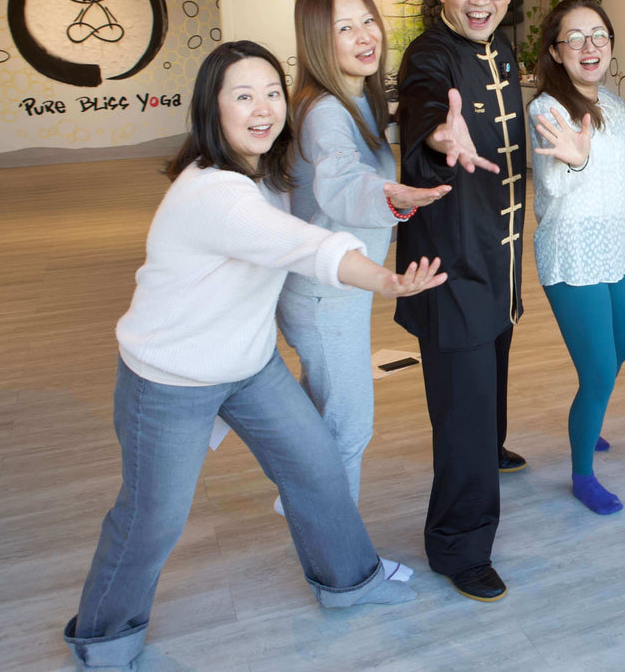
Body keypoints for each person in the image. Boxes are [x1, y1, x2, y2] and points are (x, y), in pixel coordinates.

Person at [63, 41, 445, 670]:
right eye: (243, 96)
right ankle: (102, 639)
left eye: (272, 92)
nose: (263, 108)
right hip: (170, 381)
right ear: (211, 108)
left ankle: (350, 581)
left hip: (248, 366)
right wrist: (384, 279)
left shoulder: (264, 172)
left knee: (317, 467)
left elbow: (331, 193)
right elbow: (303, 244)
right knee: (151, 518)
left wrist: (393, 190)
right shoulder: (215, 192)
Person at [275, 0, 450, 509]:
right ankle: (340, 563)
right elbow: (341, 180)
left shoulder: (356, 100)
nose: (363, 35)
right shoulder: (328, 111)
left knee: (327, 418)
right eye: (343, 28)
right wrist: (396, 199)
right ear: (315, 43)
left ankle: (302, 498)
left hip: (325, 292)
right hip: (326, 300)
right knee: (349, 431)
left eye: (367, 20)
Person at [393, 0, 527, 602]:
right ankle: (457, 545)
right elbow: (422, 109)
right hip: (451, 266)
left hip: (495, 258)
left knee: (487, 388)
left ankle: (491, 447)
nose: (481, 0)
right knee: (462, 417)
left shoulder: (499, 45)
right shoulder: (429, 55)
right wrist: (436, 136)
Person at [528, 0, 625, 515]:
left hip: (618, 250)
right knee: (600, 370)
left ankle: (589, 415)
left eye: (598, 35)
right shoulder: (546, 108)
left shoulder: (614, 105)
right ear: (556, 52)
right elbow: (554, 182)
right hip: (572, 253)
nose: (588, 46)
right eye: (574, 38)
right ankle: (582, 473)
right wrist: (575, 159)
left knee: (620, 349)